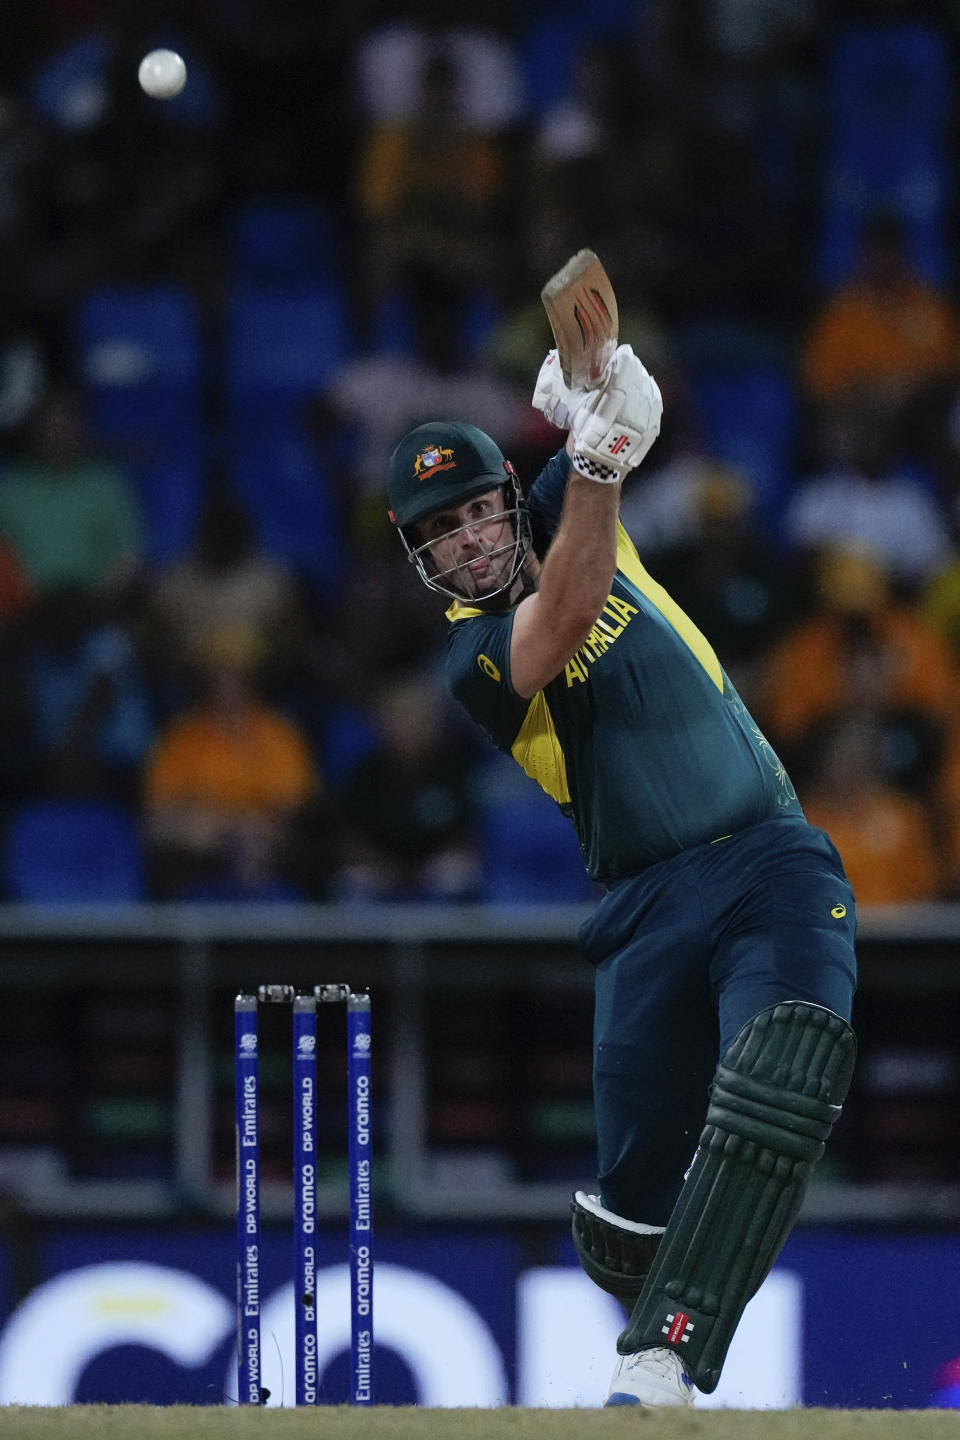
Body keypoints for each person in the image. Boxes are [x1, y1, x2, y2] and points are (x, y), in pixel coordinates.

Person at [385, 341, 858, 1407]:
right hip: (646, 910)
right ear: (419, 560)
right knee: (626, 1220)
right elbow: (564, 609)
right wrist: (597, 451)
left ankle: (665, 1360)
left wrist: (602, 384)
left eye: (473, 513)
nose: (465, 542)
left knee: (781, 1072)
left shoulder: (561, 505)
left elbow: (639, 408)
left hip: (771, 863)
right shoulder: (475, 660)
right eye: (437, 533)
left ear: (508, 503)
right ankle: (659, 1304)